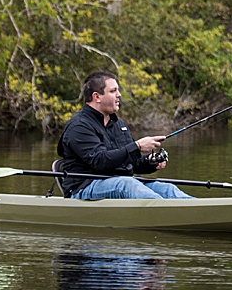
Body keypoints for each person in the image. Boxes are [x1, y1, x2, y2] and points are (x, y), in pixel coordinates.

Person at [57, 70, 193, 200]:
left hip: (122, 182)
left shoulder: (118, 124)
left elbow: (131, 163)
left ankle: (198, 210)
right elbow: (101, 161)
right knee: (128, 185)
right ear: (96, 97)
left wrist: (150, 162)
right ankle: (168, 214)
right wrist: (138, 146)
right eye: (113, 91)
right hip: (84, 189)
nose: (119, 95)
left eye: (118, 90)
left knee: (167, 189)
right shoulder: (79, 126)